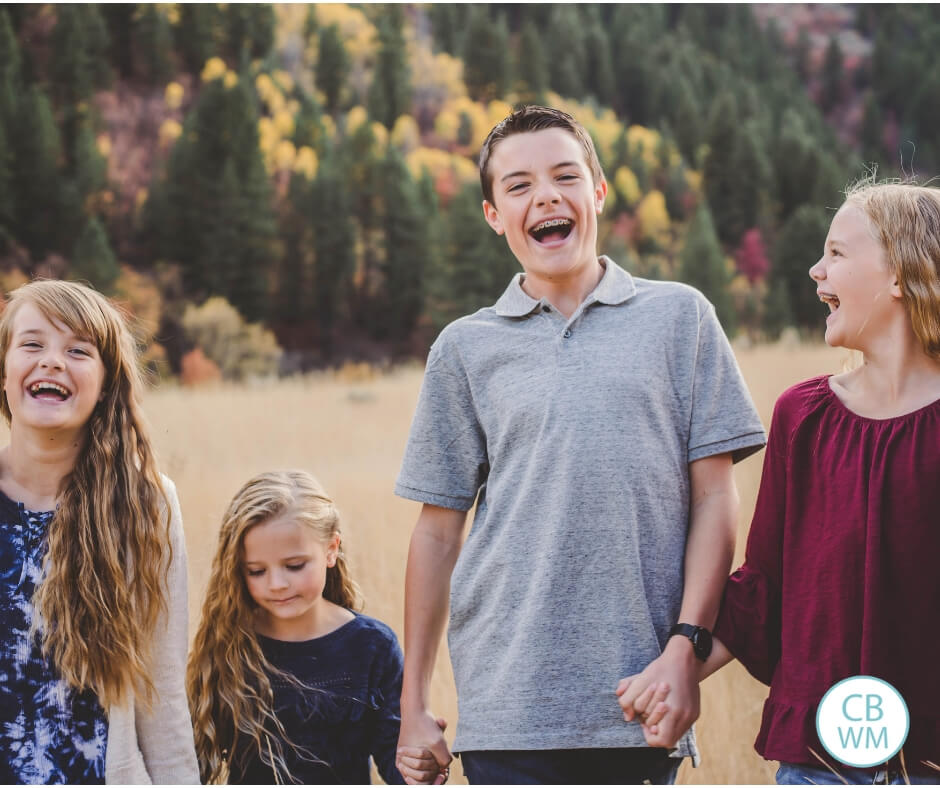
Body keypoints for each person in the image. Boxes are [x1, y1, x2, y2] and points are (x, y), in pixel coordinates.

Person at [394, 105, 766, 785]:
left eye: (565, 175)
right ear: (493, 215)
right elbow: (438, 533)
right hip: (506, 709)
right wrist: (412, 704)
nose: (545, 196)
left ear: (597, 191)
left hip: (637, 700)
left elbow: (716, 497)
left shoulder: (680, 319)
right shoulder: (466, 349)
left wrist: (686, 647)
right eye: (518, 186)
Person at [619, 180, 940, 784]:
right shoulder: (805, 416)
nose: (816, 270)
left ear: (901, 273)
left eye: (838, 254)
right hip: (815, 766)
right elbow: (764, 588)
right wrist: (678, 666)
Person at [0, 279, 198, 783]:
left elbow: (163, 692)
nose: (50, 361)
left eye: (77, 350)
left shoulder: (145, 505)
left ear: (107, 382)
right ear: (4, 372)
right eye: (31, 343)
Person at [187, 470, 443, 785]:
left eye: (294, 566)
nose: (276, 584)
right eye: (256, 571)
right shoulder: (230, 643)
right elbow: (190, 758)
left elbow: (397, 762)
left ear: (331, 549)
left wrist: (420, 766)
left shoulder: (372, 647)